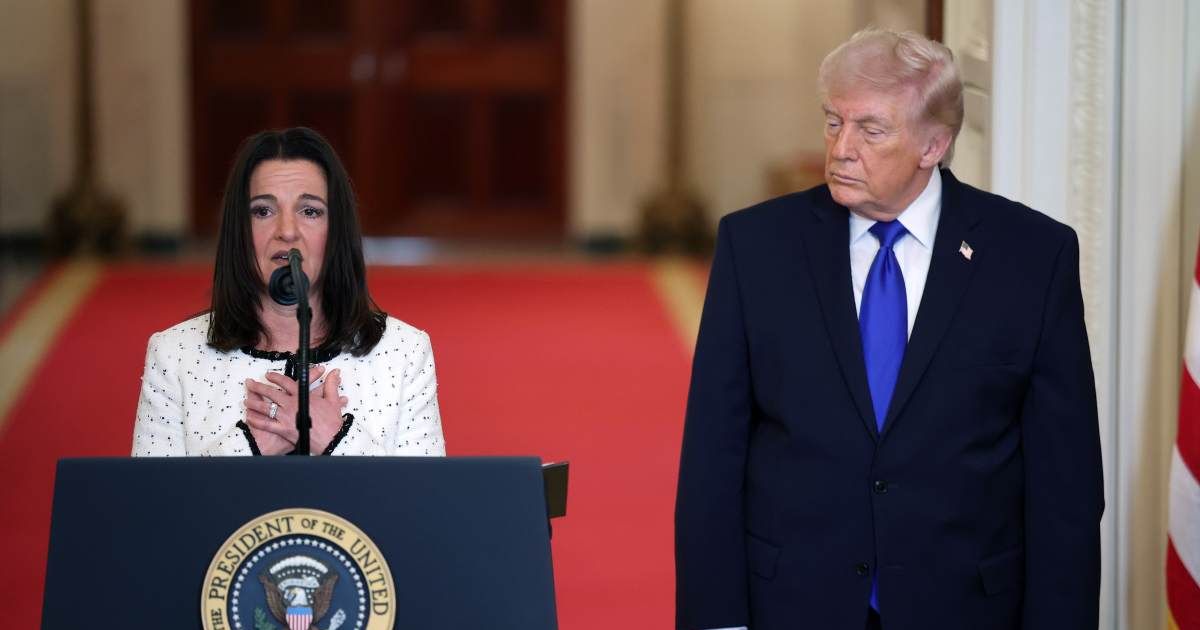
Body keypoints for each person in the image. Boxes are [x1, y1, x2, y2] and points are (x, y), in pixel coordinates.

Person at [674, 28, 1103, 630]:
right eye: (833, 122)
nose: (841, 148)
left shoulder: (1032, 258)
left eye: (871, 130)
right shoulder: (755, 248)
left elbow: (1067, 490)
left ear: (934, 144)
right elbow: (712, 462)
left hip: (965, 608)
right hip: (794, 604)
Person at [132, 127, 444, 457]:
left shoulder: (403, 352)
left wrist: (337, 440)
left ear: (336, 229)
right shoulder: (174, 354)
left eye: (309, 211)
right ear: (238, 230)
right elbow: (156, 506)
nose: (287, 231)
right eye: (263, 211)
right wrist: (250, 447)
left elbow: (421, 505)